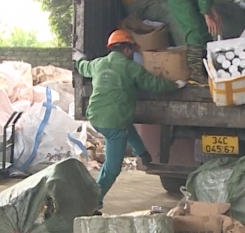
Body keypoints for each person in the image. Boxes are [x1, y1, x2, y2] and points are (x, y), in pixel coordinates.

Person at [74, 29, 185, 213]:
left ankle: (143, 153)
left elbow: (83, 67)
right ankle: (93, 203)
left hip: (95, 117)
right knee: (112, 168)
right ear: (127, 50)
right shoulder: (131, 68)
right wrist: (176, 85)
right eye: (132, 50)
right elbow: (154, 84)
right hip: (114, 122)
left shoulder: (99, 63)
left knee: (125, 126)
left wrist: (79, 58)